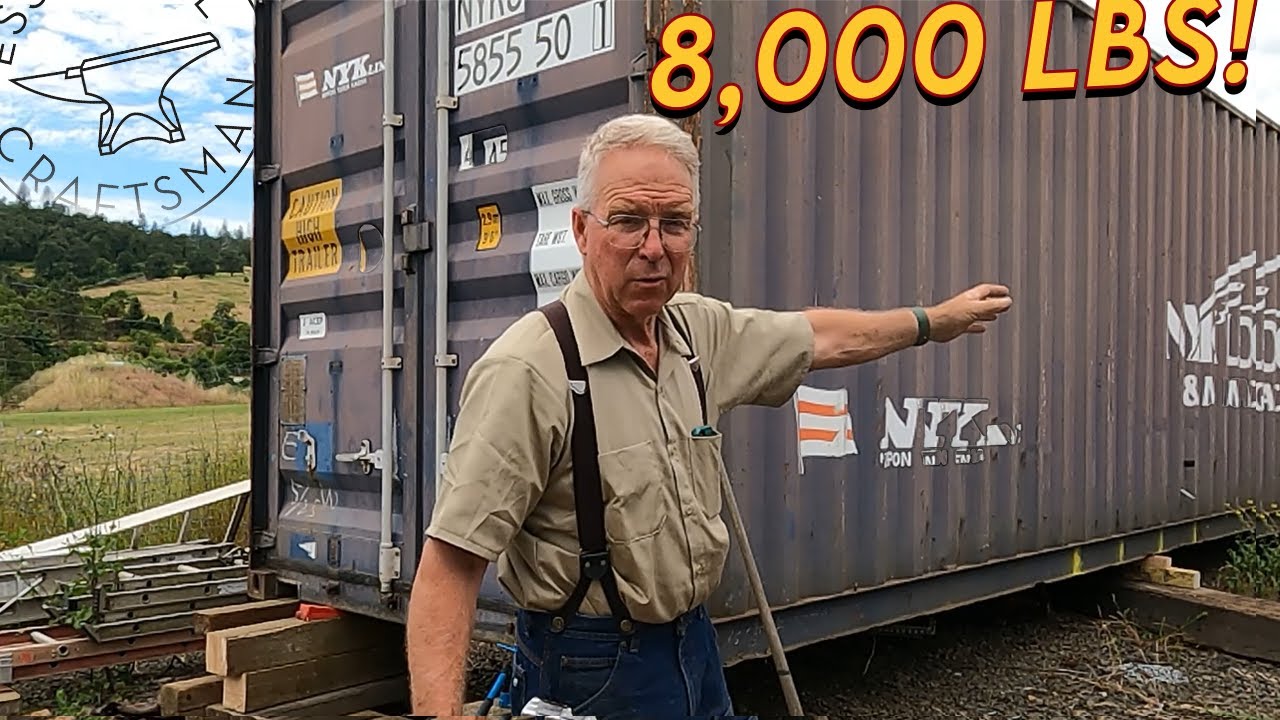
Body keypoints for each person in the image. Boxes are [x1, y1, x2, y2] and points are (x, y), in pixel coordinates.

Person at [405, 113, 1013, 718]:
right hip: (589, 669)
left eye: (674, 224)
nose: (653, 248)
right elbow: (451, 564)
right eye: (628, 221)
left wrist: (933, 322)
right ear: (582, 230)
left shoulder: (695, 332)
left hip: (694, 645)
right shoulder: (529, 370)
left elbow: (818, 336)